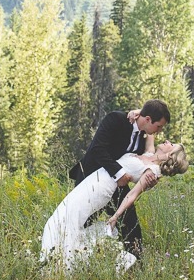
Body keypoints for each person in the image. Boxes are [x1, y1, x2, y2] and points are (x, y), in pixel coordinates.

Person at [41, 139, 188, 272]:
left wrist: (116, 216)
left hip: (102, 189)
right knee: (64, 215)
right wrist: (135, 113)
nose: (168, 141)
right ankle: (59, 260)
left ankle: (58, 264)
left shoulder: (153, 172)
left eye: (172, 144)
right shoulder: (149, 153)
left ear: (171, 155)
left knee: (67, 217)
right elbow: (150, 128)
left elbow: (132, 195)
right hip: (94, 179)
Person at [67, 99, 171, 261]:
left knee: (130, 222)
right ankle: (70, 256)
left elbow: (147, 158)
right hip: (92, 180)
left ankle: (135, 261)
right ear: (148, 119)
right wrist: (119, 173)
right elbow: (97, 149)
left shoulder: (145, 134)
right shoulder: (115, 119)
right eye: (158, 126)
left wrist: (149, 177)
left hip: (117, 186)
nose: (159, 131)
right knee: (83, 221)